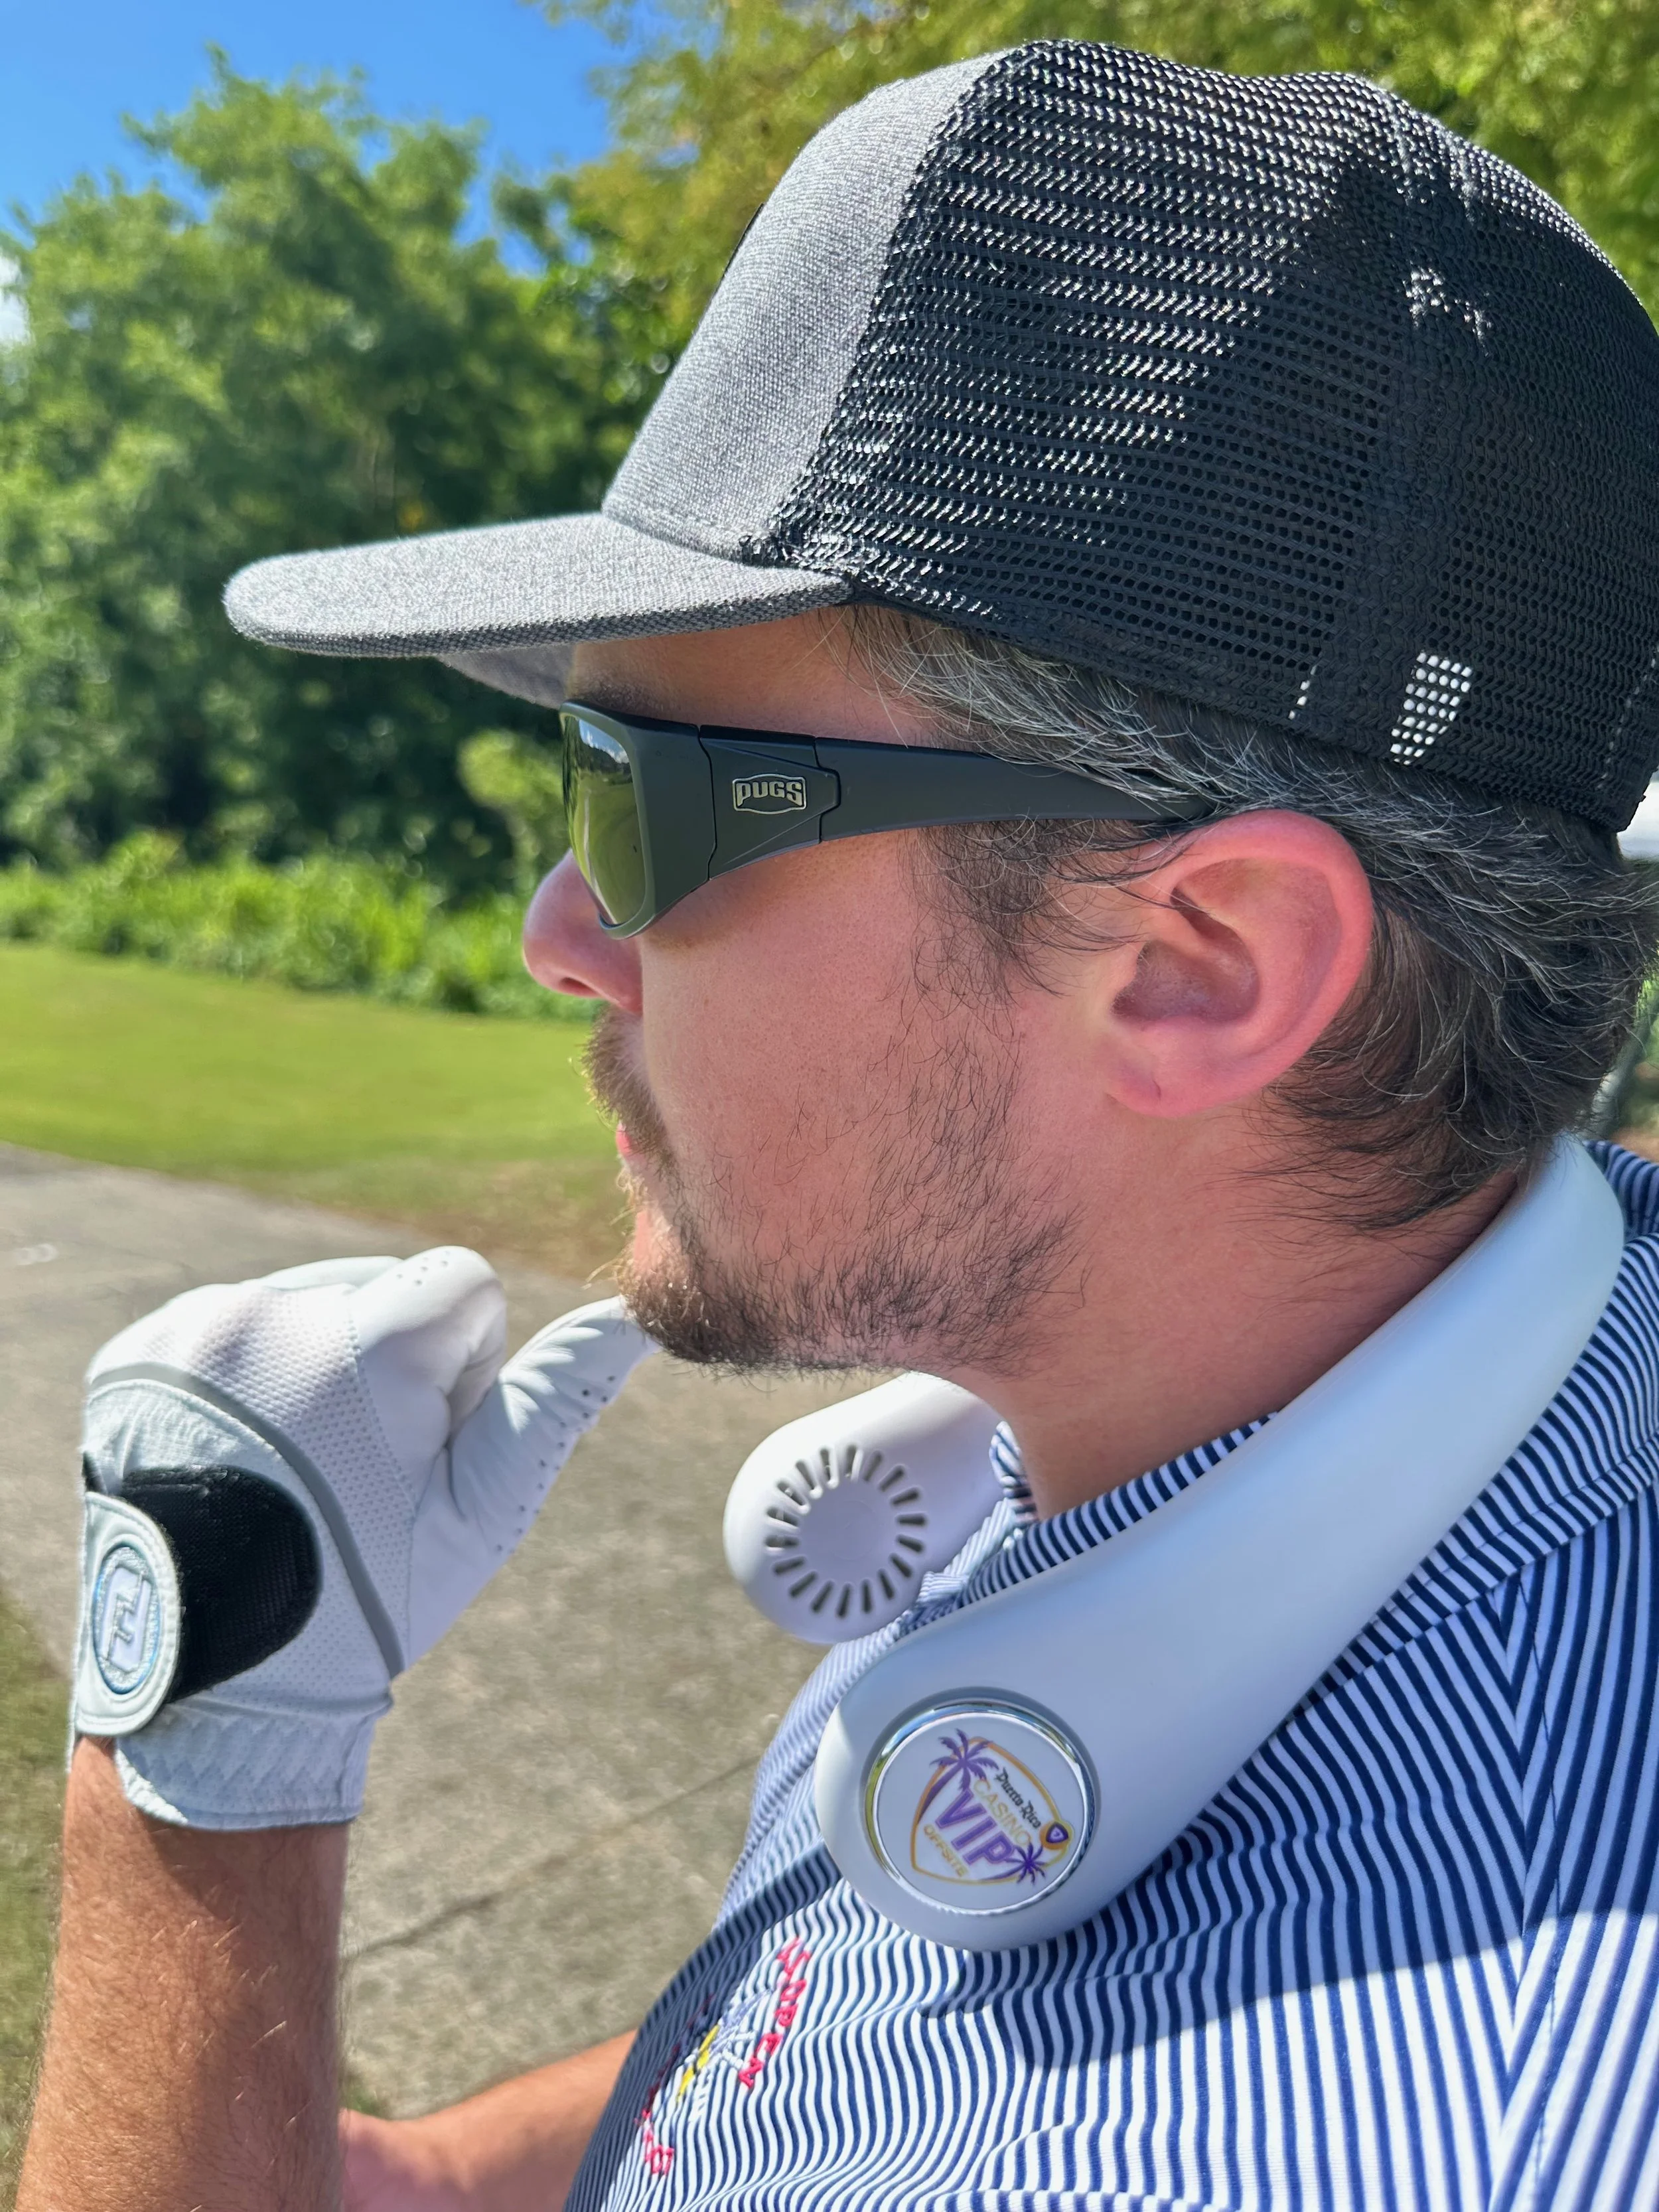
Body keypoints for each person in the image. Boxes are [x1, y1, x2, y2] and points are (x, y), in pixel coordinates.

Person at [21, 37, 1659, 2212]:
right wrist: (432, 2175)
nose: (556, 932)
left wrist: (204, 1745)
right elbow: (866, 2043)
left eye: (644, 800)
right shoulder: (1442, 1348)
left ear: (1198, 963)